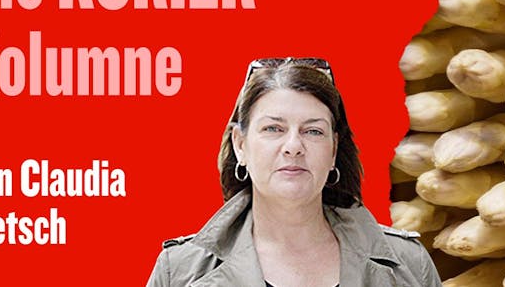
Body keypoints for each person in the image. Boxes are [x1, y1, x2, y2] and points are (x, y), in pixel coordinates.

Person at [148, 58, 439, 286]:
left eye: (313, 131)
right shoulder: (180, 271)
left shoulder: (409, 266)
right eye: (273, 129)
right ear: (240, 145)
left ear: (334, 150)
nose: (293, 146)